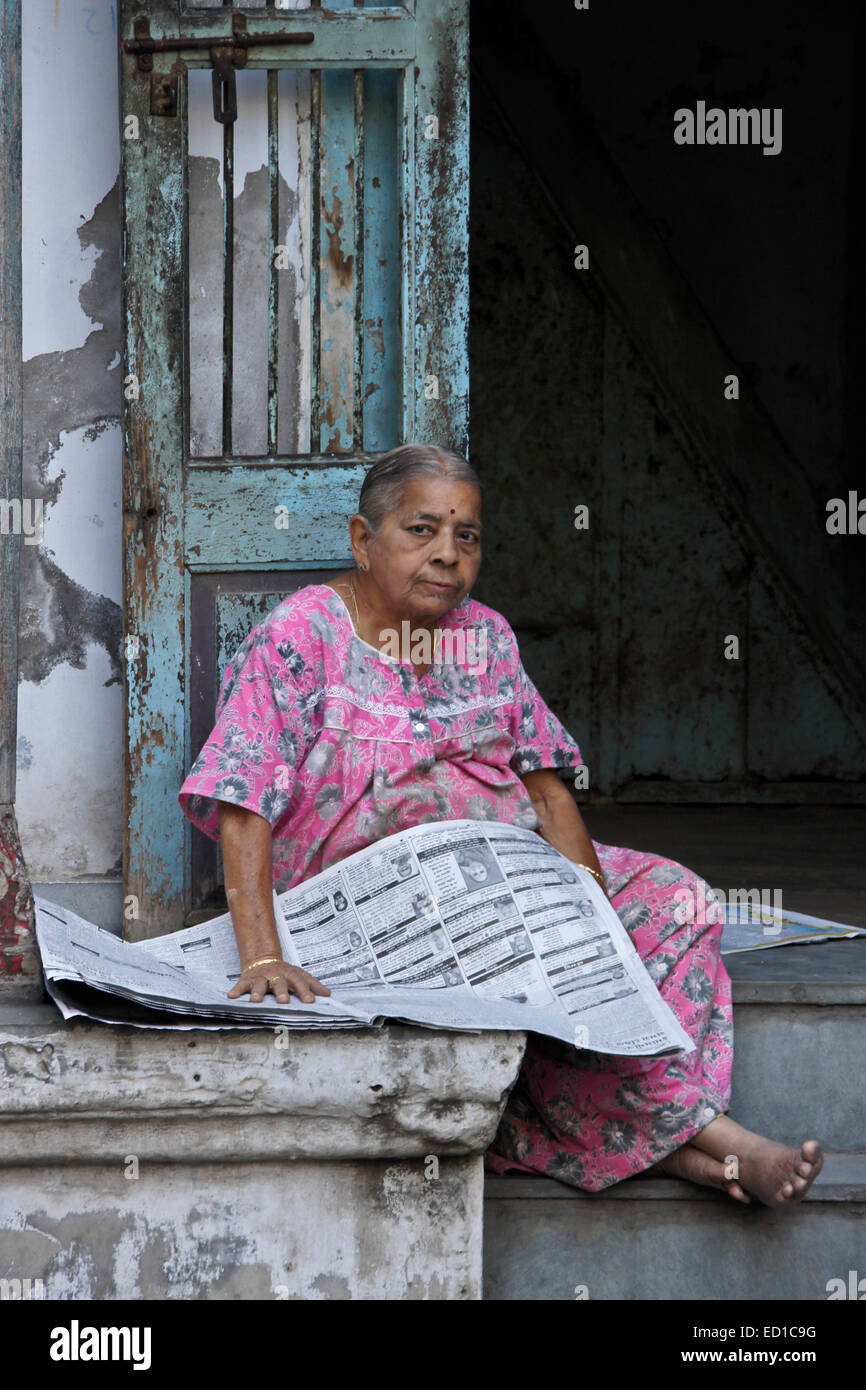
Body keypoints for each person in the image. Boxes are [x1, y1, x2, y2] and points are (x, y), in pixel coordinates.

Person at [178, 443, 823, 1208]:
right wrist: (259, 956)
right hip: (381, 911)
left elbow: (547, 794)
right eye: (422, 531)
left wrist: (590, 912)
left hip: (506, 884)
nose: (447, 555)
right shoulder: (303, 634)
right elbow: (242, 796)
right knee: (517, 970)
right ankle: (715, 1142)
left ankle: (657, 1139)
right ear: (362, 539)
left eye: (468, 537)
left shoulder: (486, 638)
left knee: (673, 897)